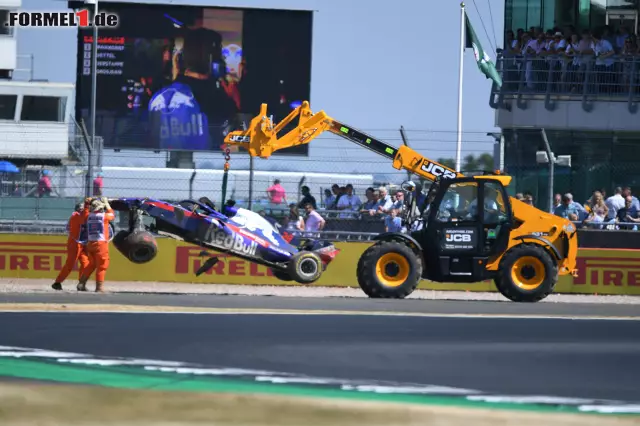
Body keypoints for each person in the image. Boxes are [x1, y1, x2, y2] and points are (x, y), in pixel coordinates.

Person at [77, 197, 115, 292]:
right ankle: (99, 288)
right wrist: (107, 203)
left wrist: (86, 203)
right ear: (100, 208)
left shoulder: (88, 216)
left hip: (90, 244)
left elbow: (84, 213)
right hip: (101, 245)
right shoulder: (104, 216)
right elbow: (112, 215)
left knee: (91, 265)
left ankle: (81, 283)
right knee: (102, 266)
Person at [51, 201, 91, 291]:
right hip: (75, 243)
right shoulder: (75, 216)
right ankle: (57, 282)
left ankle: (81, 284)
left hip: (82, 243)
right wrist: (87, 206)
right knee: (70, 264)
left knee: (86, 263)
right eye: (84, 208)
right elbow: (84, 217)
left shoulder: (83, 216)